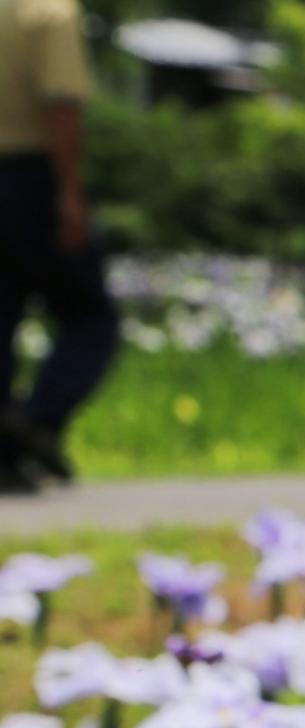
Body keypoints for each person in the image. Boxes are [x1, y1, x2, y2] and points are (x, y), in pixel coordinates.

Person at [0, 0, 117, 493]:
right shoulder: (48, 11)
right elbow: (61, 105)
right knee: (91, 316)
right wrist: (70, 193)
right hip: (28, 178)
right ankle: (35, 421)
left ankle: (6, 450)